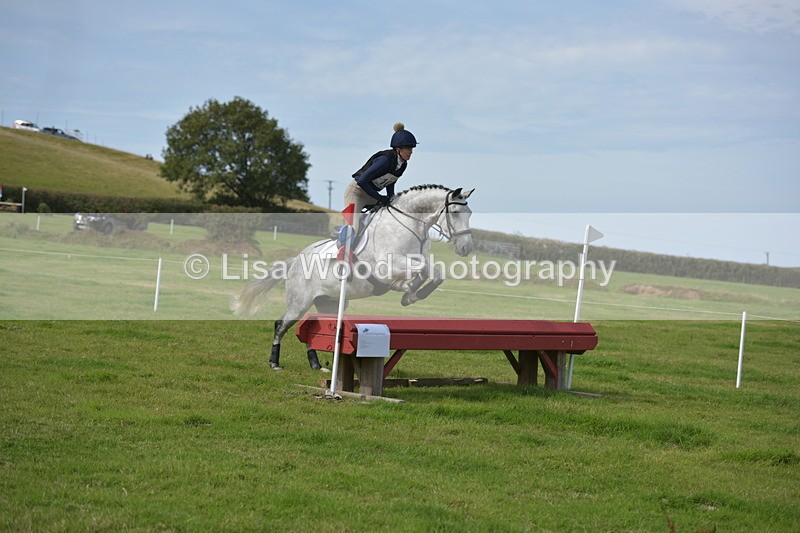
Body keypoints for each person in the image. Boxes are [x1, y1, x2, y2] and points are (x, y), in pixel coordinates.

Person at [344, 122, 417, 233]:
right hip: (357, 193)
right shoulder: (385, 160)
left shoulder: (403, 164)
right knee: (353, 228)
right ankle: (343, 249)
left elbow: (391, 181)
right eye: (408, 148)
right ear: (398, 149)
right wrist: (380, 198)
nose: (411, 152)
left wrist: (391, 198)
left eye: (412, 148)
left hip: (372, 195)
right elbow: (362, 181)